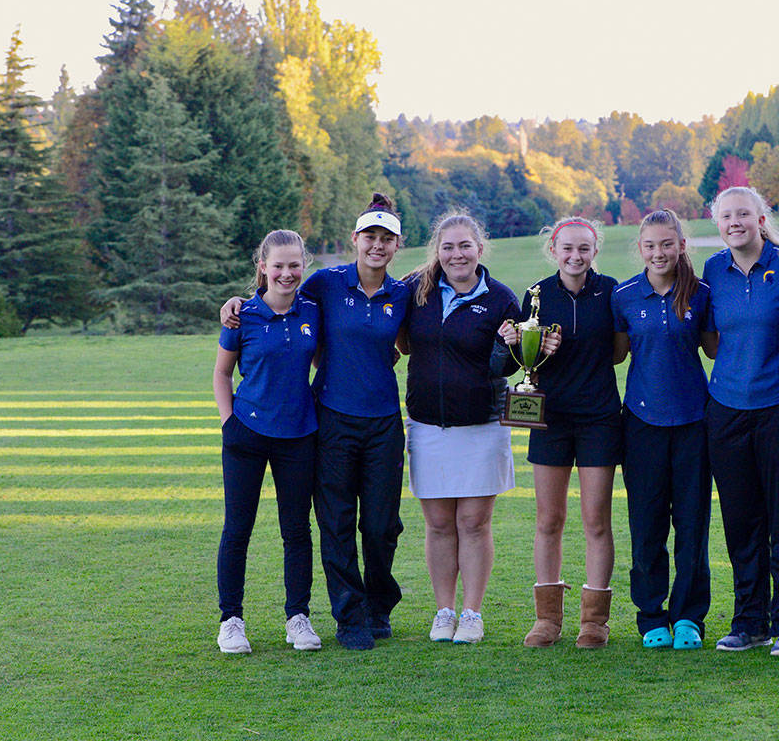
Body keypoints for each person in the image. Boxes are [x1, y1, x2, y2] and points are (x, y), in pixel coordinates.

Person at [221, 194, 411, 651]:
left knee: (382, 525)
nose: (377, 245)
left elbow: (414, 336)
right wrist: (236, 301)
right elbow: (273, 298)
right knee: (337, 520)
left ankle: (378, 604)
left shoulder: (404, 293)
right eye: (370, 237)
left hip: (384, 419)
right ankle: (349, 618)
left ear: (397, 244)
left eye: (386, 239)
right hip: (330, 419)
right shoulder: (325, 283)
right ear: (356, 240)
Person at [399, 210, 543, 645]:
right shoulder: (415, 290)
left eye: (465, 246)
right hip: (427, 425)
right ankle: (444, 611)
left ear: (480, 249)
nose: (457, 254)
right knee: (440, 524)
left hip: (482, 425)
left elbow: (514, 364)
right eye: (448, 246)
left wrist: (511, 345)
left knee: (475, 522)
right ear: (437, 252)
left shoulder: (501, 298)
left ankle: (472, 613)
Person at [703, 187, 779, 657]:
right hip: (726, 408)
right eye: (726, 216)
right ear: (717, 222)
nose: (735, 222)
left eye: (743, 214)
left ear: (761, 217)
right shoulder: (712, 270)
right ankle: (750, 620)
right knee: (741, 520)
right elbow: (710, 339)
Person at [498, 217, 619, 649]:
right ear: (554, 248)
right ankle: (547, 619)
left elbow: (620, 351)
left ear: (594, 251)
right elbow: (514, 362)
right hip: (549, 417)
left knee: (595, 521)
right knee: (549, 519)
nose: (575, 256)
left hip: (599, 417)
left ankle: (595, 621)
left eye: (584, 249)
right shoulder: (535, 296)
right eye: (567, 248)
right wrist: (512, 342)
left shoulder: (611, 292)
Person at [611, 208, 717, 651]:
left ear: (680, 246)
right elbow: (617, 356)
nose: (659, 252)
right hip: (641, 424)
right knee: (647, 525)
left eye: (666, 244)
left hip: (694, 420)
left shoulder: (702, 294)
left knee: (692, 525)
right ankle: (651, 614)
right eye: (650, 245)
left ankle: (689, 616)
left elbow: (715, 350)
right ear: (640, 248)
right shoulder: (623, 296)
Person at [213, 229, 323, 654]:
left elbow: (324, 357)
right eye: (277, 265)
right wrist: (229, 423)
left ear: (303, 266)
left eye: (294, 265)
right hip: (247, 435)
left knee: (296, 530)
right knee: (237, 529)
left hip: (299, 436)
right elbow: (222, 373)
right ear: (262, 267)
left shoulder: (314, 311)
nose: (286, 273)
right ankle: (231, 620)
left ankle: (298, 617)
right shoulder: (242, 315)